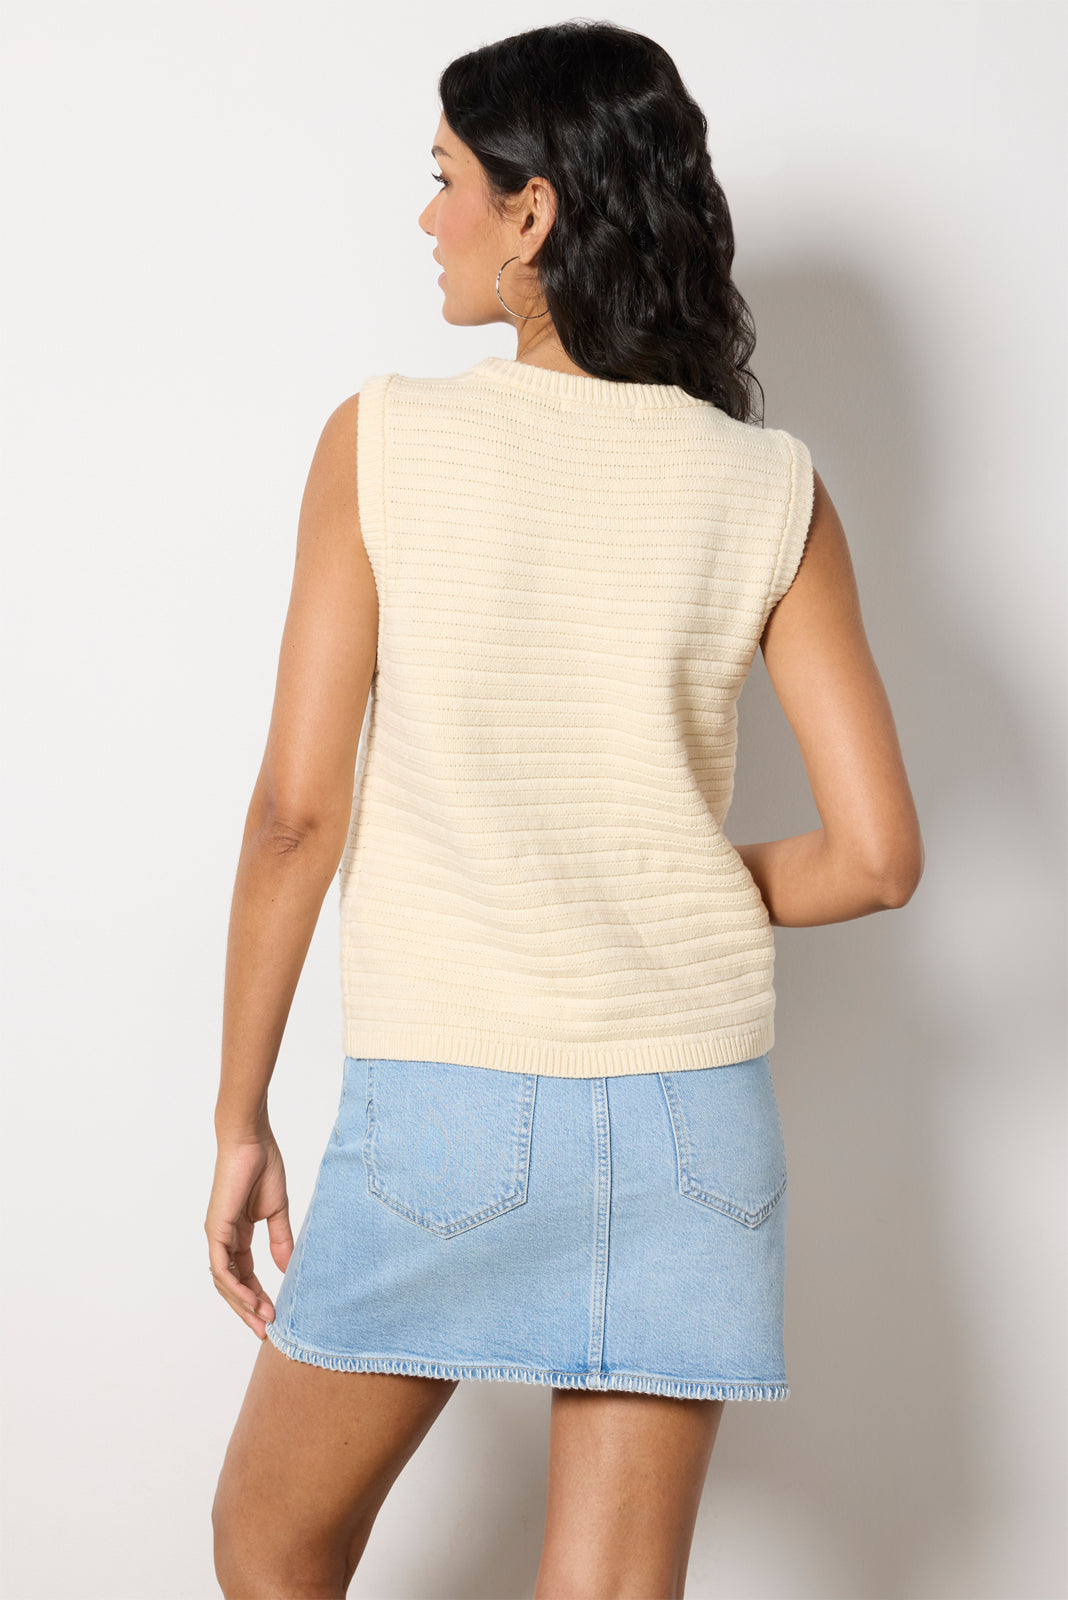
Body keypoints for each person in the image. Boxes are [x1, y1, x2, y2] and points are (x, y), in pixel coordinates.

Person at [205, 20, 924, 1599]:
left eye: (446, 180)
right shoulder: (772, 487)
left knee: (268, 1538)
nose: (428, 219)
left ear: (531, 214)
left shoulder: (385, 440)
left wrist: (240, 1115)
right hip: (694, 1122)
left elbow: (294, 820)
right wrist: (665, 877)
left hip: (448, 1098)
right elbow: (878, 859)